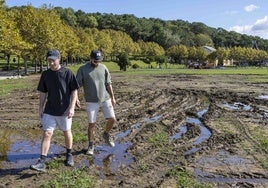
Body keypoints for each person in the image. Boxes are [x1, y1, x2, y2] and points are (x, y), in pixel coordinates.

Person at [30, 49, 79, 172]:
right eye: (49, 60)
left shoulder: (68, 73)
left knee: (66, 132)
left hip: (65, 110)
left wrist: (72, 107)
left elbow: (74, 91)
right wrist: (40, 107)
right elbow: (43, 92)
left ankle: (69, 154)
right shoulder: (45, 74)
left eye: (53, 60)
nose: (51, 63)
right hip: (50, 109)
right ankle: (42, 161)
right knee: (47, 133)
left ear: (59, 58)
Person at [76, 50, 116, 155]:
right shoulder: (83, 69)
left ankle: (106, 134)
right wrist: (76, 98)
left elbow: (108, 83)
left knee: (112, 119)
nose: (97, 62)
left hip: (105, 99)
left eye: (99, 61)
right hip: (91, 101)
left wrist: (112, 97)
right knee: (91, 124)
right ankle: (91, 145)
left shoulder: (104, 68)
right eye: (95, 60)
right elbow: (76, 86)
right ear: (90, 58)